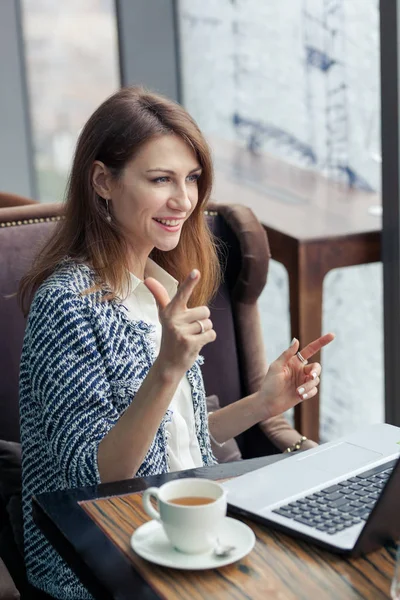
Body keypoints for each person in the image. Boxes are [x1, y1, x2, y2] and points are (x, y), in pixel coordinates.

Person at [18, 86, 334, 600]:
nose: (183, 200)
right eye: (160, 178)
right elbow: (97, 478)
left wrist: (265, 403)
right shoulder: (68, 305)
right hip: (96, 566)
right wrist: (168, 367)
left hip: (184, 536)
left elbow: (172, 440)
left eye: (190, 179)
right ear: (103, 181)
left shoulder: (159, 285)